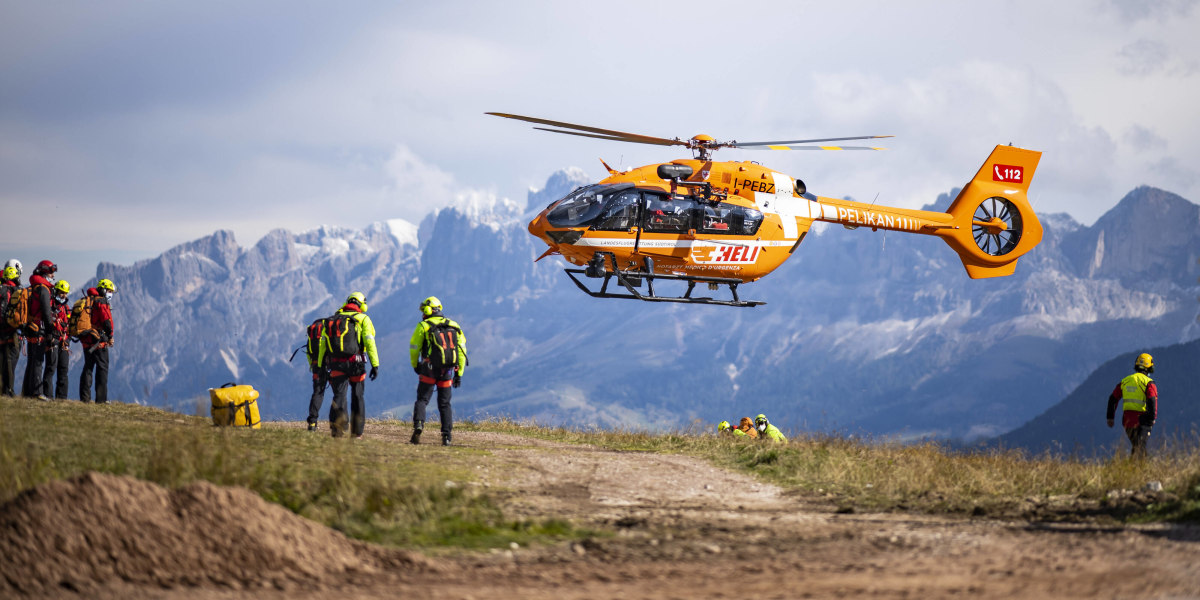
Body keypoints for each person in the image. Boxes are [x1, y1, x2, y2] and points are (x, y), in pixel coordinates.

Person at [317, 292, 379, 438]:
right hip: (356, 364)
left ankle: (337, 429)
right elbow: (370, 342)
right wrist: (375, 364)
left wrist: (320, 364)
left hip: (336, 364)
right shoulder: (363, 319)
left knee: (339, 395)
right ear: (361, 304)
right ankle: (357, 432)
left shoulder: (333, 320)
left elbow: (323, 345)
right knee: (358, 395)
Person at [408, 296, 467, 446]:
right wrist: (459, 374)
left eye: (423, 310)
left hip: (428, 369)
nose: (422, 313)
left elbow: (414, 347)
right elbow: (461, 351)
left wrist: (416, 365)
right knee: (445, 404)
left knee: (422, 399)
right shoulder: (454, 325)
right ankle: (446, 436)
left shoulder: (424, 326)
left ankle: (419, 425)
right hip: (447, 371)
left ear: (428, 310)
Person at [1107, 353, 1158, 457]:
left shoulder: (1125, 381)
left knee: (1138, 446)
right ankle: (1132, 470)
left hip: (1127, 421)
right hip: (1143, 421)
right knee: (1139, 448)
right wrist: (1152, 418)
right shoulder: (1149, 383)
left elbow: (1113, 398)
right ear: (1148, 368)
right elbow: (1152, 401)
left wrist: (1110, 417)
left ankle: (1137, 470)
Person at [21, 260, 57, 400]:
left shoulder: (33, 287)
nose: (53, 275)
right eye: (51, 272)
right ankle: (37, 393)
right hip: (39, 329)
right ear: (45, 272)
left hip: (31, 328)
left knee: (31, 361)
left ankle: (27, 392)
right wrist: (50, 331)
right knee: (37, 361)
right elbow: (47, 314)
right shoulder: (43, 289)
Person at [79, 279, 116, 403]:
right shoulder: (101, 301)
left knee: (88, 367)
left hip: (87, 340)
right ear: (103, 289)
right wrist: (110, 336)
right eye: (109, 291)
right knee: (102, 369)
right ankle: (101, 399)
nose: (110, 294)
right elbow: (106, 321)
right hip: (99, 342)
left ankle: (84, 398)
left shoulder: (90, 300)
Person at [40, 280, 71, 399]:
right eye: (62, 292)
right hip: (52, 340)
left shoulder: (66, 307)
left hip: (64, 341)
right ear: (57, 291)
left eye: (66, 293)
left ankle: (62, 398)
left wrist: (67, 338)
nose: (64, 295)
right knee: (51, 367)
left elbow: (68, 324)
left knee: (63, 369)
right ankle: (48, 395)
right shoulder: (50, 305)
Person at [0, 266, 21, 397]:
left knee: (4, 360)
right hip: (10, 330)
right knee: (10, 360)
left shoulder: (2, 290)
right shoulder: (12, 291)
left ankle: (5, 389)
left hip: (2, 330)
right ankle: (8, 390)